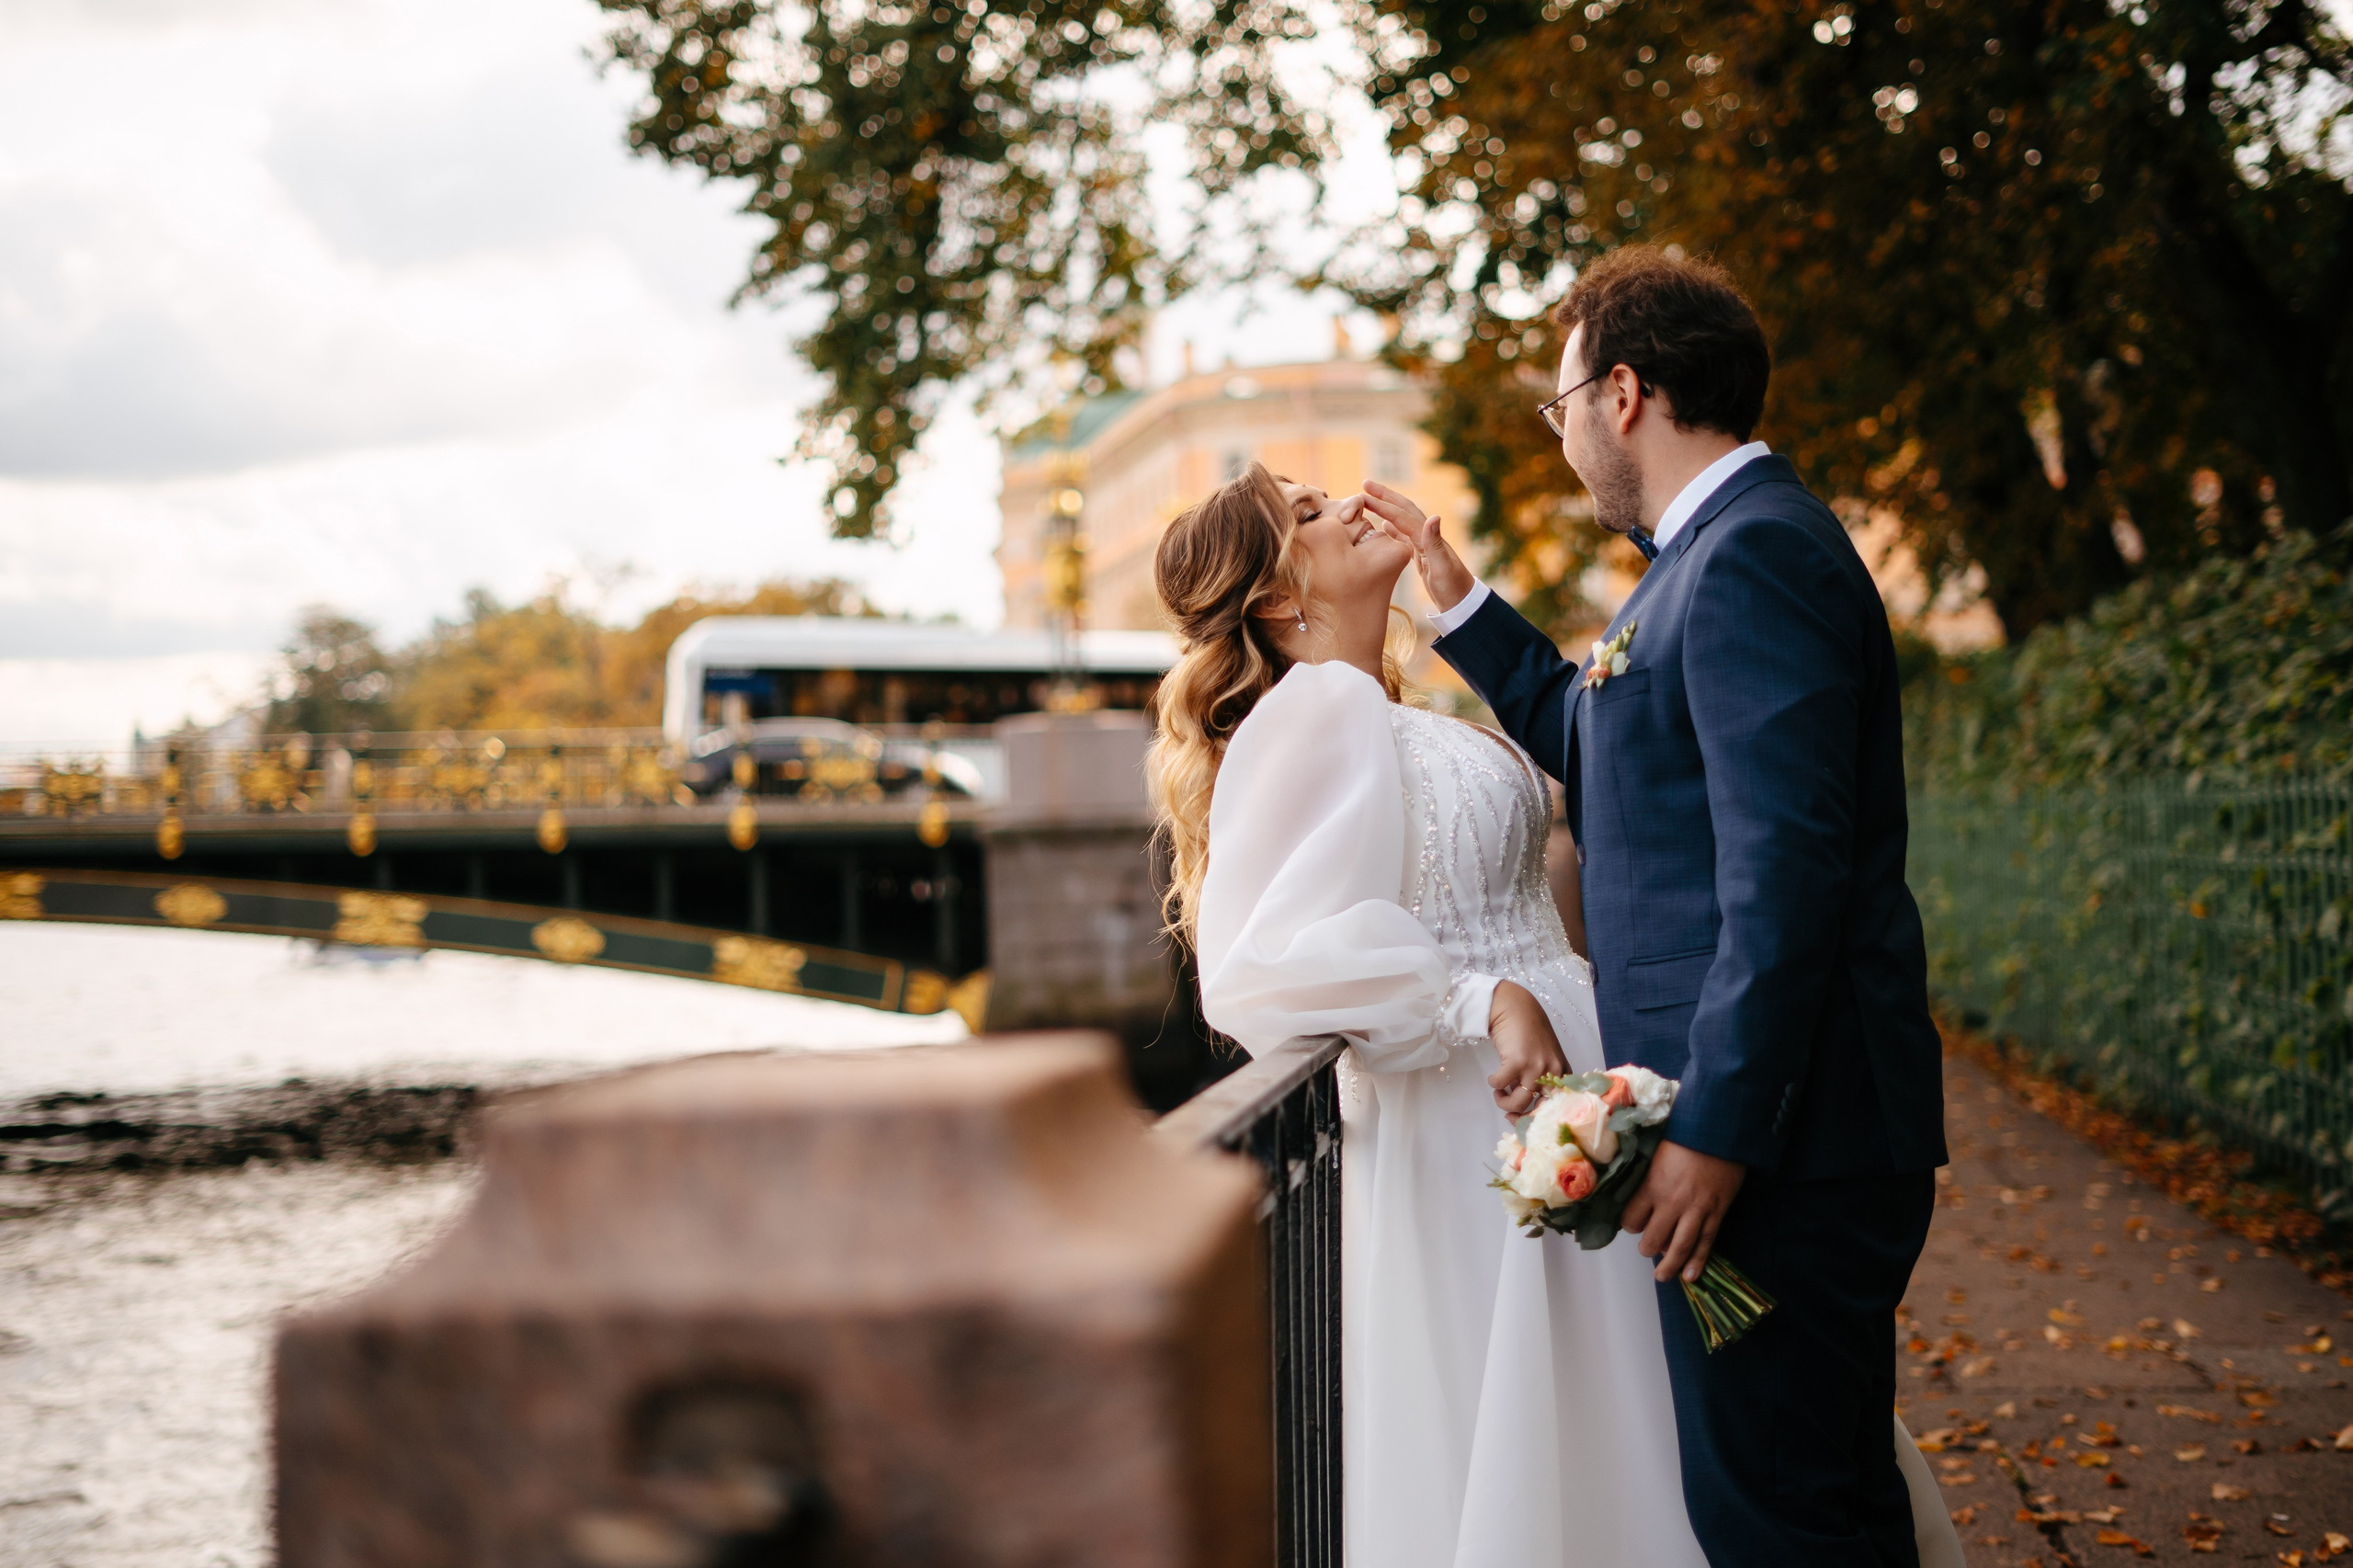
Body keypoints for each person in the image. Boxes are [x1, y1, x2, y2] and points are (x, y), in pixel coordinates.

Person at [1146, 457, 1961, 1566]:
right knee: (1592, 1434)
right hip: (1475, 1121)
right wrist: (1478, 996)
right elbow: (1251, 966)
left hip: (1576, 1094)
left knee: (1679, 1423)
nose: (1347, 503)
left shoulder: (1397, 709)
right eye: (1306, 512)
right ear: (1277, 601)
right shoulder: (1318, 707)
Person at [1364, 244, 1953, 1567]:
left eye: (1561, 405)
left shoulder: (1748, 559)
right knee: (1793, 1499)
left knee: (1789, 1519)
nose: (1564, 436)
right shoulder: (1708, 559)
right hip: (1776, 1132)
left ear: (1623, 391)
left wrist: (1722, 1130)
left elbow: (1783, 873)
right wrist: (1458, 600)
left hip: (1786, 1144)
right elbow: (1600, 731)